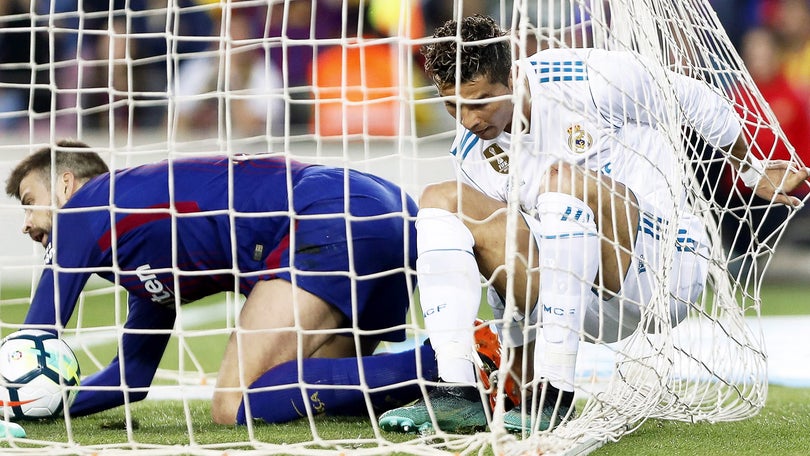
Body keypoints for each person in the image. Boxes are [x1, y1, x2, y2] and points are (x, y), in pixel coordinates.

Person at [378, 14, 810, 434]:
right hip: (569, 298)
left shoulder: (585, 77)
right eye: (453, 104)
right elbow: (502, 260)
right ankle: (456, 391)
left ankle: (556, 393)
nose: (469, 119)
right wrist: (517, 367)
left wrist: (750, 169)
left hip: (661, 269)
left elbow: (693, 99)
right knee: (442, 200)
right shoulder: (471, 149)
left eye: (480, 101)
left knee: (561, 183)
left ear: (511, 77)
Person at [5, 139, 443, 425]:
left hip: (321, 215)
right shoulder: (137, 240)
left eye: (30, 203)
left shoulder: (85, 207)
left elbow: (36, 336)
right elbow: (131, 378)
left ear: (66, 185)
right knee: (321, 399)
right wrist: (50, 408)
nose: (26, 224)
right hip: (379, 207)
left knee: (232, 404)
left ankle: (441, 363)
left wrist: (11, 405)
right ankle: (448, 378)